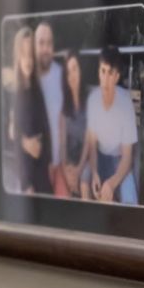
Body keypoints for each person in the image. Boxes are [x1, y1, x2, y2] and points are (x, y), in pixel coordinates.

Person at [79, 48, 141, 205]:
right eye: (103, 71)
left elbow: (128, 157)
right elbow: (92, 144)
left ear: (117, 77)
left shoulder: (126, 103)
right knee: (85, 179)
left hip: (120, 161)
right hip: (100, 157)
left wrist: (112, 183)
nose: (105, 79)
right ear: (99, 72)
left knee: (130, 199)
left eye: (110, 73)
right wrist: (94, 172)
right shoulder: (93, 100)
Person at [7, 23, 53, 194]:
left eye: (30, 55)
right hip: (27, 170)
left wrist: (48, 162)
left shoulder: (36, 89)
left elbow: (46, 127)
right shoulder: (15, 93)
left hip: (42, 166)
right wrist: (26, 184)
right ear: (18, 57)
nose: (28, 60)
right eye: (23, 55)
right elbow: (12, 134)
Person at [35, 23, 66, 190]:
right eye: (41, 43)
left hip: (60, 164)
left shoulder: (61, 75)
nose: (46, 48)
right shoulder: (28, 78)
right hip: (37, 166)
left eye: (49, 43)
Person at [59, 50, 88, 194]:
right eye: (68, 71)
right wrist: (66, 169)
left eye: (75, 69)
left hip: (85, 159)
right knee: (64, 186)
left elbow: (89, 143)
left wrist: (78, 171)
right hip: (70, 161)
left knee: (83, 180)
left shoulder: (89, 103)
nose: (72, 75)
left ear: (81, 71)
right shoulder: (64, 107)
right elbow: (63, 144)